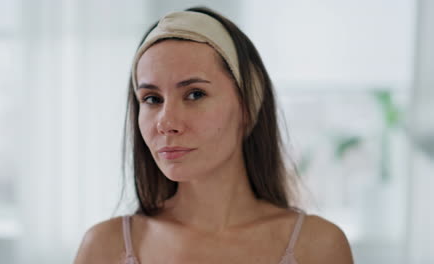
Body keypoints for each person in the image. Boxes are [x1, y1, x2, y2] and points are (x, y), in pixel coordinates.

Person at [74, 6, 353, 264]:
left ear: (247, 105)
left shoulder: (317, 247)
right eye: (151, 98)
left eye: (195, 94)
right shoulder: (105, 248)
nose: (166, 122)